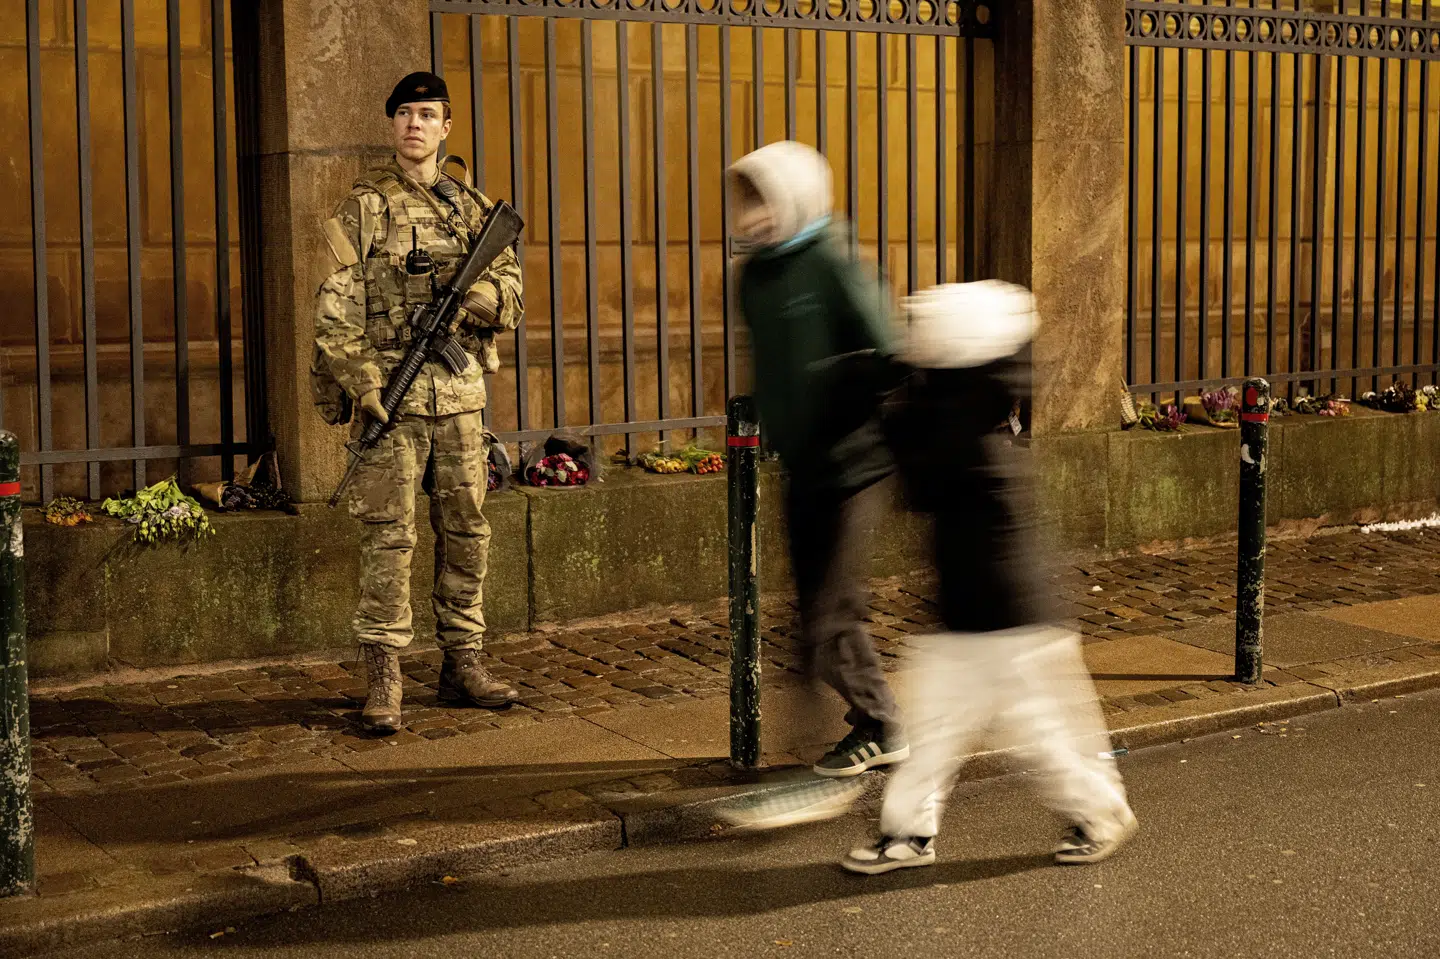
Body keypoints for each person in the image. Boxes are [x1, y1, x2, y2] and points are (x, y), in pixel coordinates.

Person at [840, 281, 1138, 874]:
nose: (913, 340)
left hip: (1010, 619)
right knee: (934, 728)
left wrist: (881, 397)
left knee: (1042, 733)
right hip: (970, 612)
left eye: (923, 334)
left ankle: (1102, 814)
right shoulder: (964, 407)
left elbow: (917, 480)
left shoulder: (962, 422)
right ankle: (907, 833)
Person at [310, 71, 524, 733]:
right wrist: (367, 386)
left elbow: (512, 296)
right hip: (391, 402)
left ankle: (464, 661)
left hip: (460, 398)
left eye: (427, 115)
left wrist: (466, 303)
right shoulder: (363, 209)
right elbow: (333, 312)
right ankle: (385, 676)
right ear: (391, 126)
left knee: (466, 532)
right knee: (389, 539)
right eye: (404, 114)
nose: (414, 125)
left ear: (445, 127)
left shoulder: (474, 210)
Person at [726, 141, 907, 781]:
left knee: (830, 609)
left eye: (763, 200)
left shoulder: (832, 262)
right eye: (745, 202)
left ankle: (880, 724)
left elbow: (888, 352)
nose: (752, 216)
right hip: (802, 460)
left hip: (855, 461)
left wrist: (833, 384)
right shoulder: (754, 276)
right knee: (812, 610)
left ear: (794, 199)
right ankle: (858, 721)